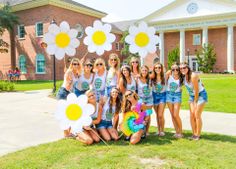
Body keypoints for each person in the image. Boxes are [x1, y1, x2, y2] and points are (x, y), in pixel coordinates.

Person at [180, 62, 208, 140]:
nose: (183, 69)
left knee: (197, 115)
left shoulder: (193, 76)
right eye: (181, 68)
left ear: (188, 68)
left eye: (184, 67)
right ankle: (194, 134)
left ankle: (198, 135)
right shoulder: (183, 76)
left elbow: (196, 90)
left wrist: (195, 102)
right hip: (192, 96)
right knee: (192, 115)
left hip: (200, 95)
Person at [56, 58, 82, 138]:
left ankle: (69, 132)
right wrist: (70, 81)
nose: (76, 65)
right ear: (71, 64)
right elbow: (67, 87)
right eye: (74, 64)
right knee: (65, 114)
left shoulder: (77, 73)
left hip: (70, 94)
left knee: (71, 113)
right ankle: (65, 133)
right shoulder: (69, 72)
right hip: (64, 93)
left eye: (77, 64)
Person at [166, 62, 183, 138]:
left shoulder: (181, 77)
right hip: (169, 95)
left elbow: (190, 78)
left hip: (177, 95)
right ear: (171, 70)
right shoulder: (169, 75)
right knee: (172, 115)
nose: (175, 71)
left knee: (176, 114)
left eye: (177, 69)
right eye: (173, 69)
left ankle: (181, 132)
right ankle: (177, 132)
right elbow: (160, 78)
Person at [136, 65, 153, 136]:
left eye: (146, 70)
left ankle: (147, 131)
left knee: (148, 115)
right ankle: (140, 129)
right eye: (143, 70)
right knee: (140, 115)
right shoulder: (137, 79)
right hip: (140, 99)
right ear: (140, 71)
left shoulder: (150, 79)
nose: (144, 72)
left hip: (149, 99)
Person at [151, 62, 166, 136]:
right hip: (154, 96)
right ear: (154, 69)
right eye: (156, 68)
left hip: (162, 96)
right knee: (157, 115)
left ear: (161, 68)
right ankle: (158, 130)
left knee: (160, 115)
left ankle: (162, 130)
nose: (157, 69)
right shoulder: (152, 77)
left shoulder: (165, 76)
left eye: (159, 67)